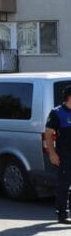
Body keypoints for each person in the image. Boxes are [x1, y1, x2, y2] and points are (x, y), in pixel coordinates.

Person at [43, 85, 71, 223]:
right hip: (65, 155)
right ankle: (62, 214)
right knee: (63, 185)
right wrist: (52, 153)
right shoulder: (57, 113)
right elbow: (48, 135)